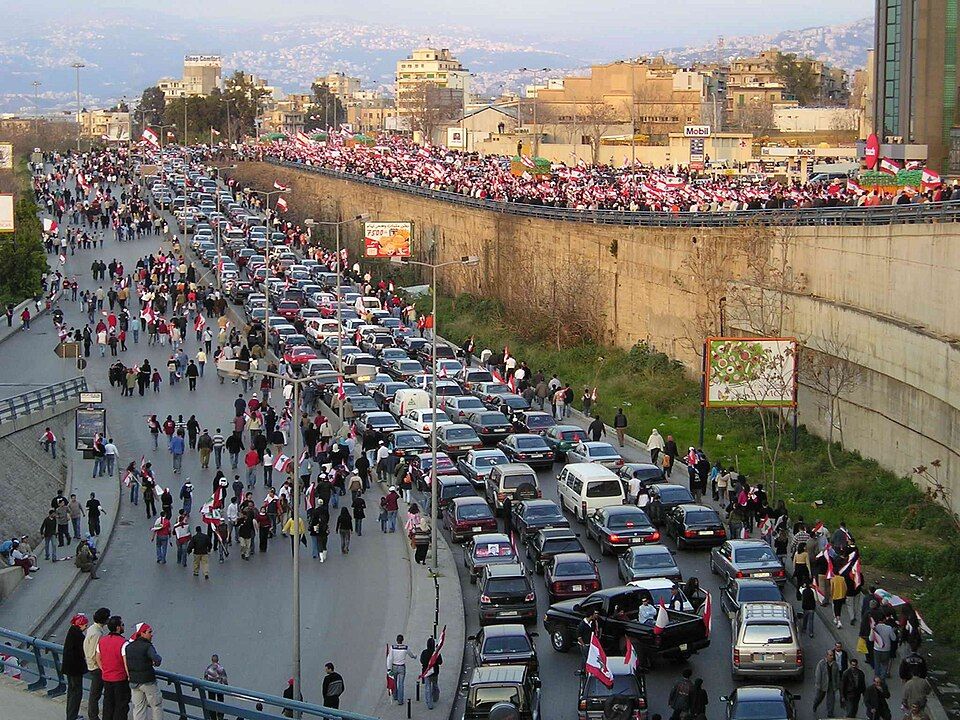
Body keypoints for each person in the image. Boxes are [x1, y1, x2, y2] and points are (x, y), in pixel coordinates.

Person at [124, 622, 163, 720]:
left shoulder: (129, 647)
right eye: (149, 632)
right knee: (156, 705)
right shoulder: (147, 646)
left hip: (134, 682)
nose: (151, 634)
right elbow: (157, 659)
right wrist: (155, 662)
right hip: (148, 681)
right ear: (142, 633)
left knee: (138, 707)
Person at [97, 616, 130, 720]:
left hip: (107, 678)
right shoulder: (124, 643)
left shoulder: (102, 641)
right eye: (122, 625)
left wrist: (104, 670)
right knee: (121, 705)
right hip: (120, 679)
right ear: (118, 627)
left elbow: (98, 658)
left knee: (108, 704)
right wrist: (129, 676)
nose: (123, 626)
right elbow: (126, 662)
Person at [84, 607, 110, 720]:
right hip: (96, 667)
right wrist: (101, 667)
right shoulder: (97, 633)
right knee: (95, 693)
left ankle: (93, 715)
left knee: (95, 693)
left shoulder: (92, 628)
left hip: (93, 665)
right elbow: (93, 652)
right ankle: (93, 716)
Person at [63, 613, 89, 720]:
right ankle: (72, 716)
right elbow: (83, 651)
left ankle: (70, 715)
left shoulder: (71, 632)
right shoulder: (79, 636)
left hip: (69, 667)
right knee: (77, 693)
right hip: (76, 669)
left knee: (71, 691)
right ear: (80, 625)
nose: (86, 627)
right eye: (85, 625)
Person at [386, 634, 417, 705]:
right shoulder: (405, 648)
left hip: (394, 666)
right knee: (401, 684)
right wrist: (414, 657)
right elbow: (411, 655)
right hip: (402, 667)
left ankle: (395, 696)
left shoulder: (392, 647)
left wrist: (389, 668)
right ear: (402, 640)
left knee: (394, 682)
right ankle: (400, 700)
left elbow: (389, 658)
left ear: (397, 640)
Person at [813, 649, 840, 719]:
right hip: (823, 684)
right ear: (827, 656)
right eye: (830, 655)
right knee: (819, 698)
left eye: (833, 655)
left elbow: (837, 675)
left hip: (831, 684)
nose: (832, 657)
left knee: (831, 700)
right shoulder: (821, 663)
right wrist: (818, 685)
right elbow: (818, 674)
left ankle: (830, 713)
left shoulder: (835, 664)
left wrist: (837, 685)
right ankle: (815, 705)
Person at [203, 655, 228, 720]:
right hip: (219, 688)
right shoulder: (221, 668)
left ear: (212, 660)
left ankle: (212, 717)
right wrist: (226, 686)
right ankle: (220, 716)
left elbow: (205, 678)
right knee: (220, 702)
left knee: (211, 702)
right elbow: (224, 679)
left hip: (210, 688)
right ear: (218, 660)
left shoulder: (208, 668)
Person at [420, 636, 442, 710]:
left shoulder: (424, 652)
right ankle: (435, 697)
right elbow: (440, 662)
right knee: (435, 685)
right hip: (435, 672)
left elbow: (421, 661)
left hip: (426, 672)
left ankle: (429, 704)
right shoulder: (436, 653)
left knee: (427, 688)